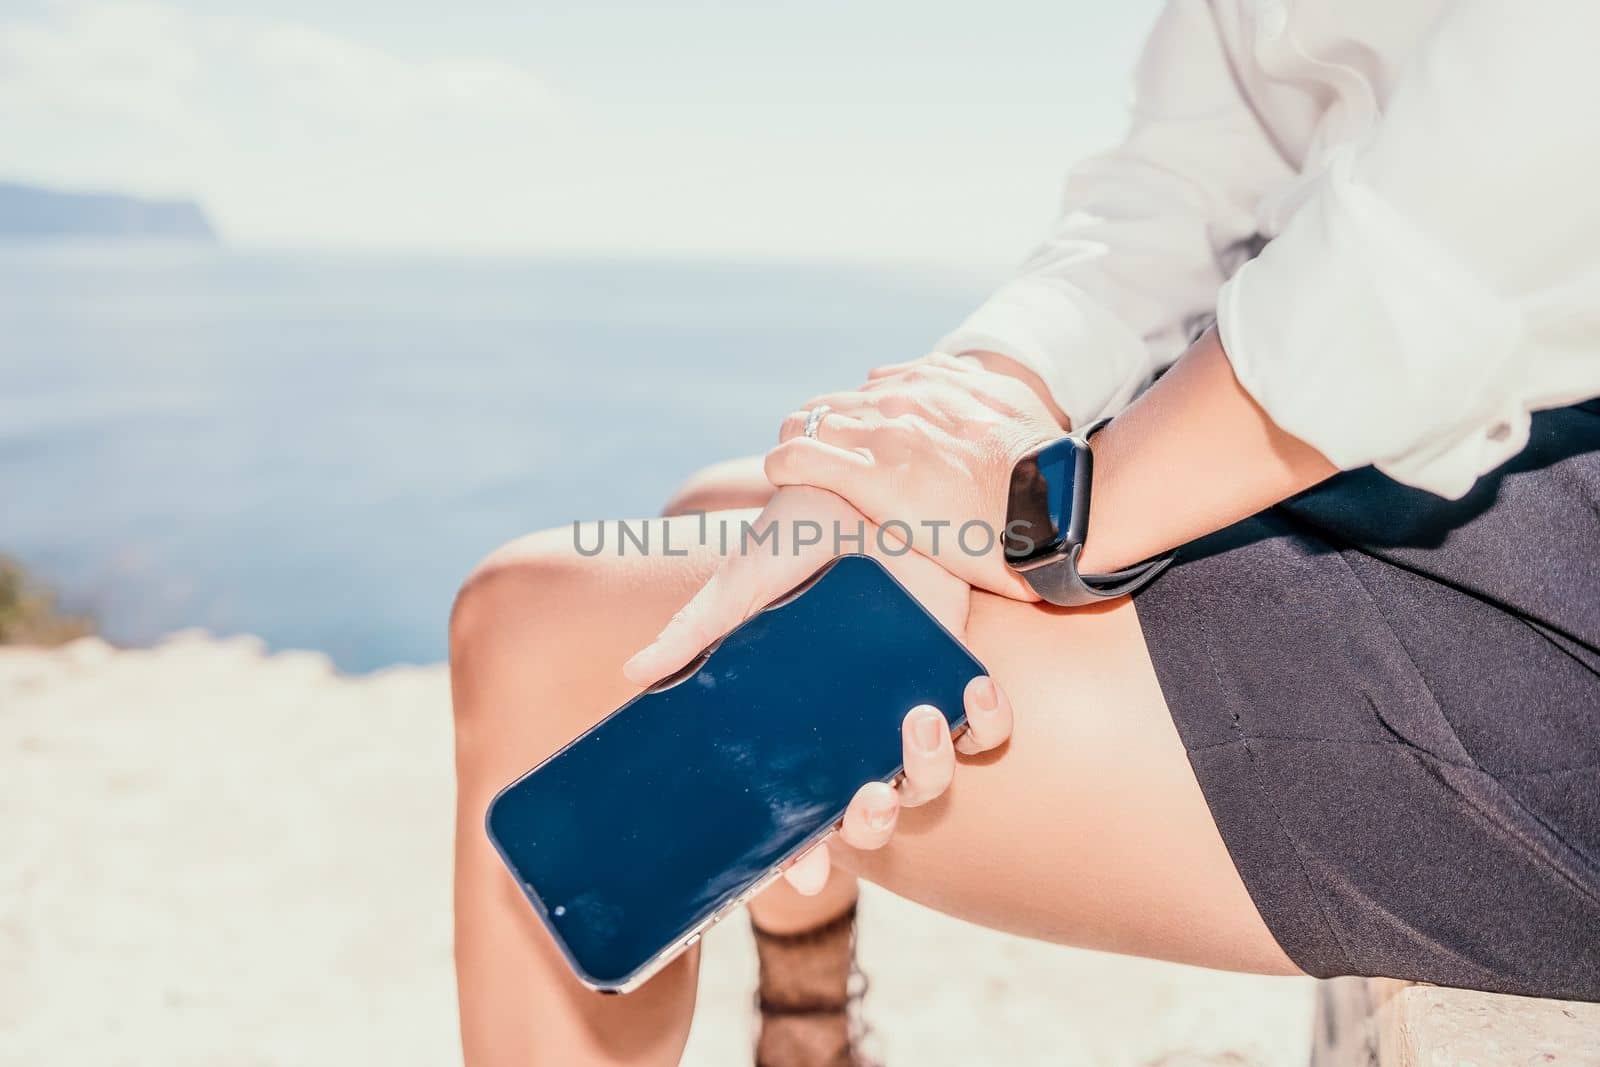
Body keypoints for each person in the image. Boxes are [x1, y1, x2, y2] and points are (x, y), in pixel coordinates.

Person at [448, 1, 1600, 1063]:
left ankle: (802, 1029)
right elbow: (1174, 194)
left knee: (541, 636)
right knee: (733, 524)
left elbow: (1479, 211)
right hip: (1394, 437)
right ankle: (806, 1025)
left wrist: (1051, 513)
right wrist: (952, 415)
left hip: (1536, 531)